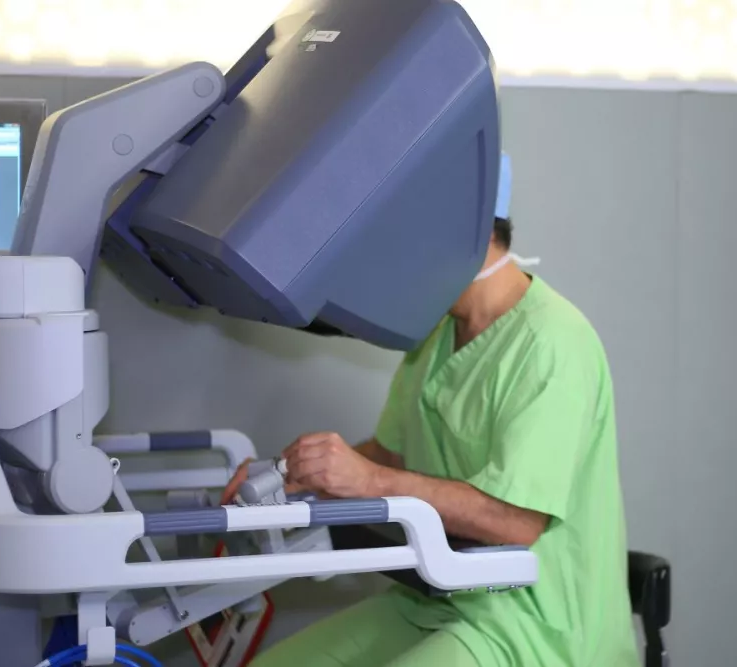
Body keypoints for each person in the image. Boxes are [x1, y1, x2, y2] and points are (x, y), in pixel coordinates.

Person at [221, 154, 640, 667]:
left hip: (532, 627)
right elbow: (390, 455)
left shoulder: (553, 345)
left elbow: (513, 521)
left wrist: (368, 479)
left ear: (476, 233)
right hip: (436, 599)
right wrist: (295, 477)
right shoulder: (435, 336)